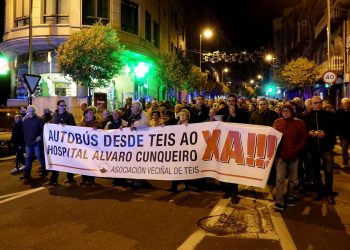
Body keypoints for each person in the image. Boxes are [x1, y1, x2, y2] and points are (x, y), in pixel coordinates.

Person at [273, 104, 307, 211]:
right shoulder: (277, 122)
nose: (285, 113)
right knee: (280, 179)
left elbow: (304, 139)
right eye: (283, 111)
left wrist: (296, 150)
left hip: (294, 155)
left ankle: (291, 196)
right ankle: (279, 201)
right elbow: (272, 137)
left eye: (288, 111)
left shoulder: (299, 123)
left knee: (293, 179)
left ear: (292, 112)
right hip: (281, 155)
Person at [304, 96, 337, 204]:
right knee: (315, 171)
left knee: (328, 171)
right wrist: (309, 133)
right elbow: (304, 131)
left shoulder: (330, 115)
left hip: (326, 147)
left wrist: (325, 134)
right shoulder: (307, 116)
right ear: (311, 105)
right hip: (313, 148)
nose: (318, 104)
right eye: (315, 103)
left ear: (322, 103)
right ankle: (320, 191)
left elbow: (335, 130)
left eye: (319, 102)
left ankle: (329, 193)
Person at [43, 100, 77, 186]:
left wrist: (66, 126)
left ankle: (70, 178)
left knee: (69, 160)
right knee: (55, 161)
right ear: (58, 106)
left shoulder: (69, 115)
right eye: (62, 105)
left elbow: (74, 128)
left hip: (66, 143)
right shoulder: (54, 115)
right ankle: (53, 180)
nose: (64, 107)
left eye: (64, 105)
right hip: (56, 143)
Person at [20, 105, 47, 180]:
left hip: (37, 142)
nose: (30, 113)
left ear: (34, 111)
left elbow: (44, 129)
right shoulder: (25, 120)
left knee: (40, 157)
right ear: (27, 112)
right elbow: (23, 130)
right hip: (28, 143)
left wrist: (40, 136)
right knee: (28, 158)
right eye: (29, 111)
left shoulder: (39, 119)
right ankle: (26, 174)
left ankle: (44, 171)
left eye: (32, 111)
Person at [168, 109, 191, 192]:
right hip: (177, 150)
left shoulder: (190, 125)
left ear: (187, 117)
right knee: (176, 167)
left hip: (185, 150)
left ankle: (186, 185)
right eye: (180, 115)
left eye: (183, 115)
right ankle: (174, 186)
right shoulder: (176, 125)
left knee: (184, 167)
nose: (181, 116)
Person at [80, 106, 103, 185]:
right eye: (90, 113)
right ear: (86, 114)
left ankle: (90, 179)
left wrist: (97, 130)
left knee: (91, 164)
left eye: (93, 113)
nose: (92, 114)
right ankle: (84, 178)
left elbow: (102, 134)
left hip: (93, 147)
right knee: (84, 163)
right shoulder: (83, 122)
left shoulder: (97, 122)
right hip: (84, 147)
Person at [336, 97, 350, 167]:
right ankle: (345, 160)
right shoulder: (339, 111)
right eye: (345, 103)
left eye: (348, 103)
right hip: (343, 133)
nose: (347, 105)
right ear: (342, 104)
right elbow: (337, 122)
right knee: (344, 148)